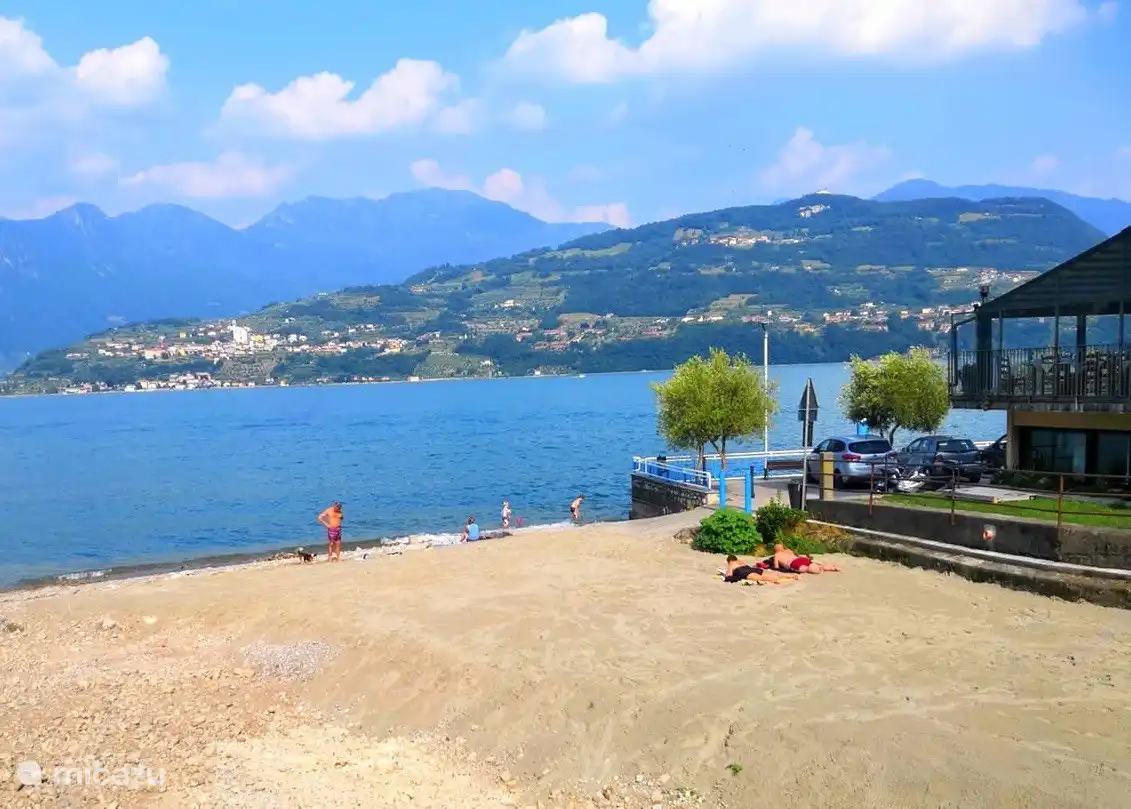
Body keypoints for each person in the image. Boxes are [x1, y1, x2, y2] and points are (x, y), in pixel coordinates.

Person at [769, 542, 840, 574]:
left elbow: (776, 567)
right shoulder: (788, 550)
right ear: (782, 547)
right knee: (810, 563)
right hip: (800, 559)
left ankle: (818, 570)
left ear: (775, 550)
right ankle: (831, 567)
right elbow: (795, 555)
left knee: (807, 568)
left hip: (794, 563)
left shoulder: (777, 555)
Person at [723, 555, 798, 585]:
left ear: (729, 560)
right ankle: (791, 575)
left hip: (745, 572)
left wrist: (726, 575)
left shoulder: (731, 563)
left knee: (763, 578)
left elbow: (728, 575)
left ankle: (788, 580)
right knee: (774, 574)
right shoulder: (741, 561)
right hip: (753, 569)